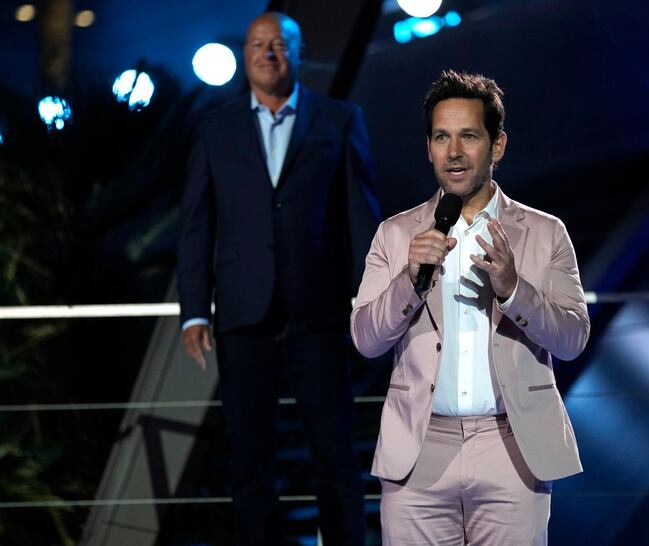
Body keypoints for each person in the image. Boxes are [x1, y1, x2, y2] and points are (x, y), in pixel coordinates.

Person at [350, 70, 590, 545]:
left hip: (512, 450)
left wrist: (514, 288)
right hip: (418, 453)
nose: (454, 152)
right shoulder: (396, 235)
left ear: (497, 146)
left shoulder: (545, 233)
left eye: (468, 136)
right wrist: (408, 281)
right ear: (429, 147)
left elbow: (573, 338)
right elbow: (365, 339)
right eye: (442, 137)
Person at [177, 12, 379, 546]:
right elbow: (197, 225)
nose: (268, 53)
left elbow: (360, 219)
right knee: (249, 459)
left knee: (335, 452)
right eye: (258, 44)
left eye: (279, 45)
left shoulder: (339, 118)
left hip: (319, 312)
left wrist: (374, 300)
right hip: (243, 316)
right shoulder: (214, 128)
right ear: (245, 55)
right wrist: (195, 310)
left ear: (299, 51)